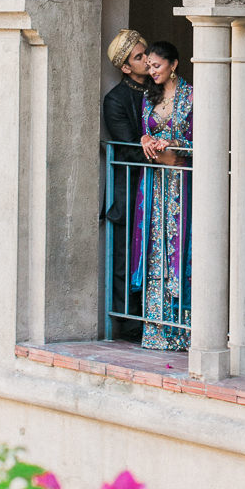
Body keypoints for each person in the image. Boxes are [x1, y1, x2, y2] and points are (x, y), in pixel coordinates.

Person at [131, 41, 193, 350]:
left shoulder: (192, 96)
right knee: (156, 250)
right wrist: (146, 138)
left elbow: (204, 139)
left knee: (180, 248)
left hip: (182, 182)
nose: (152, 71)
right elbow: (146, 130)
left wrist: (174, 144)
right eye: (149, 66)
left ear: (174, 64)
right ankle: (156, 330)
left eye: (157, 66)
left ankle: (184, 330)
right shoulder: (149, 96)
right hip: (155, 184)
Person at [102, 29, 150, 339]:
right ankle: (130, 322)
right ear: (125, 66)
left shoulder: (161, 89)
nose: (147, 60)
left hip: (161, 183)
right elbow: (128, 147)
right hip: (130, 186)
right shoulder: (116, 99)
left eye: (147, 53)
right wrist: (163, 154)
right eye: (139, 57)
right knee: (126, 253)